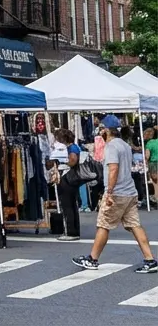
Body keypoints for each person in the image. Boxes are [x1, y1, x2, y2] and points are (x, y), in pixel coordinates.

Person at [73, 115, 157, 273]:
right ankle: (150, 259)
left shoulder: (111, 146)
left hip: (117, 192)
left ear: (106, 130)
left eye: (102, 129)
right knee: (134, 225)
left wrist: (109, 192)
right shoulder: (125, 145)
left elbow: (113, 169)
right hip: (130, 192)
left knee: (103, 224)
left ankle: (93, 258)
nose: (101, 132)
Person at [55, 129, 84, 241]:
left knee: (67, 205)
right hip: (72, 179)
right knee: (72, 205)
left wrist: (61, 159)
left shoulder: (71, 148)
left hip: (67, 178)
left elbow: (72, 161)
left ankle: (70, 231)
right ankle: (74, 230)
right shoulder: (75, 147)